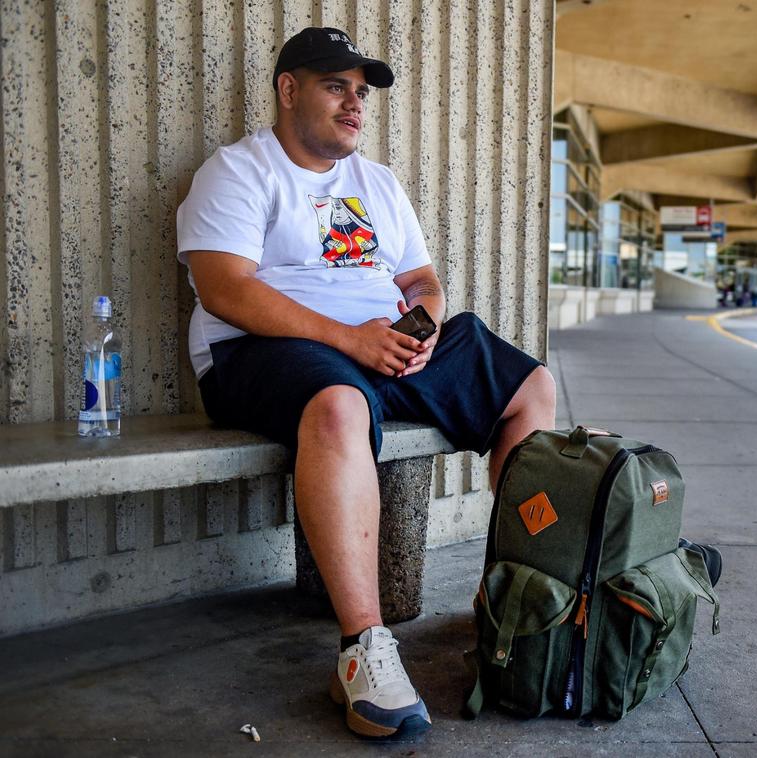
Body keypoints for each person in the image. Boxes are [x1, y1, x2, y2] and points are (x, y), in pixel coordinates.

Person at [175, 27, 556, 739]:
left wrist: (424, 329)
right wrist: (350, 339)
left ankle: (512, 603)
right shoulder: (237, 171)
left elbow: (421, 282)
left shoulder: (375, 183)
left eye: (361, 91)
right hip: (265, 351)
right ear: (289, 90)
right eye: (335, 87)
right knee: (340, 403)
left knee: (528, 386)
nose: (354, 104)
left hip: (382, 346)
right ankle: (364, 648)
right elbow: (224, 289)